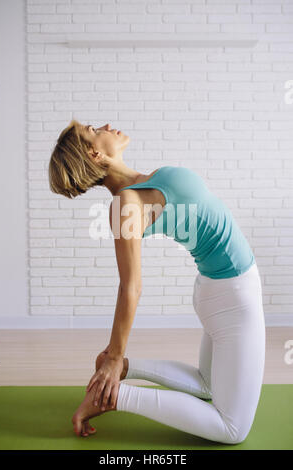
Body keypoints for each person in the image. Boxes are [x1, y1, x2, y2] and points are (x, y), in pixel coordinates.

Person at [48, 120, 266, 444]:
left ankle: (125, 371)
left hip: (218, 288)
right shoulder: (126, 205)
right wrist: (112, 356)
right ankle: (114, 397)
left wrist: (119, 361)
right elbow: (131, 286)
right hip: (232, 297)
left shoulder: (143, 183)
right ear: (94, 154)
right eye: (94, 129)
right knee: (232, 429)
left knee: (208, 384)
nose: (106, 125)